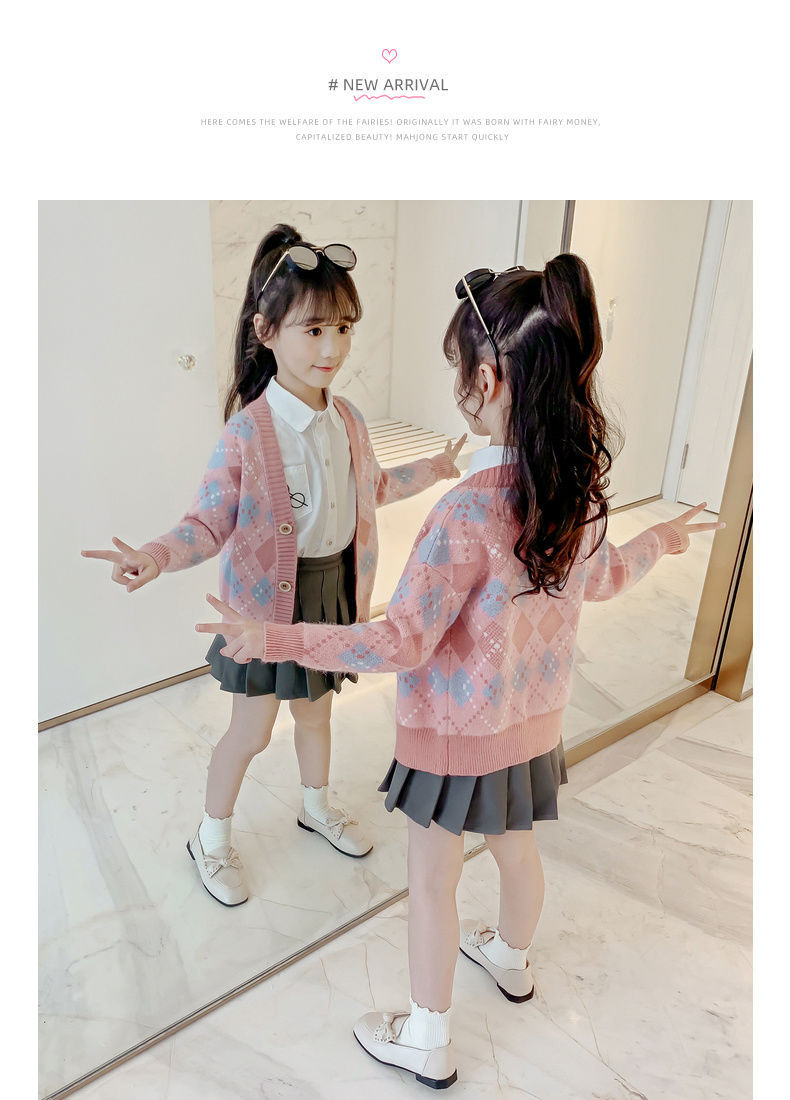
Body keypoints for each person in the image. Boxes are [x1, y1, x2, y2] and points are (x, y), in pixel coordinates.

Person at [196, 254, 725, 1088]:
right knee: (516, 851)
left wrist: (279, 640)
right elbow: (607, 578)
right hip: (533, 724)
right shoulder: (575, 490)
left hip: (451, 738)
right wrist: (660, 538)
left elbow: (401, 643)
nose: (456, 383)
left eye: (457, 368)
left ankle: (427, 1037)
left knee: (433, 883)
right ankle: (510, 956)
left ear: (487, 380)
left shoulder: (466, 512)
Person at [83, 223, 464, 908]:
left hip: (331, 594)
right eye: (313, 330)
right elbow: (208, 522)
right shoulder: (247, 432)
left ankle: (315, 806)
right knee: (252, 729)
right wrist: (155, 555)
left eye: (343, 328)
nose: (332, 347)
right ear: (266, 331)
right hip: (262, 611)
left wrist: (432, 470)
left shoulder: (348, 419)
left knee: (316, 714)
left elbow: (371, 488)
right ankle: (210, 837)